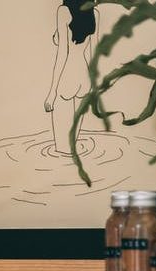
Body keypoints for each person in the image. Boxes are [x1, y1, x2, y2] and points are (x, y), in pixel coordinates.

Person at [44, 0, 100, 155]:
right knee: (73, 149)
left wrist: (52, 93)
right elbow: (94, 54)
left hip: (67, 77)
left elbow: (62, 54)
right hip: (84, 78)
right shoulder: (94, 13)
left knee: (62, 150)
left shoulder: (63, 12)